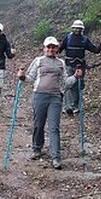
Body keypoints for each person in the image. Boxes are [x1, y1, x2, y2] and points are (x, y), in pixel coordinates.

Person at [17, 36, 82, 170]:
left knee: (54, 127)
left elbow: (65, 82)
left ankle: (56, 156)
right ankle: (37, 148)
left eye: (53, 47)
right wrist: (22, 77)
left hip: (55, 97)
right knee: (38, 125)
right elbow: (30, 78)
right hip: (39, 95)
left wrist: (75, 77)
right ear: (44, 48)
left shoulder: (61, 63)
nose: (51, 49)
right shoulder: (38, 61)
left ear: (57, 49)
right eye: (49, 47)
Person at [58, 19, 101, 115]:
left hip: (80, 66)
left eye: (79, 28)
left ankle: (76, 106)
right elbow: (60, 49)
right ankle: (67, 106)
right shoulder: (67, 38)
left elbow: (95, 50)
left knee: (78, 85)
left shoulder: (84, 40)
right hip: (69, 65)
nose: (77, 30)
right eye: (75, 28)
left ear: (82, 29)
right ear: (73, 28)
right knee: (68, 84)